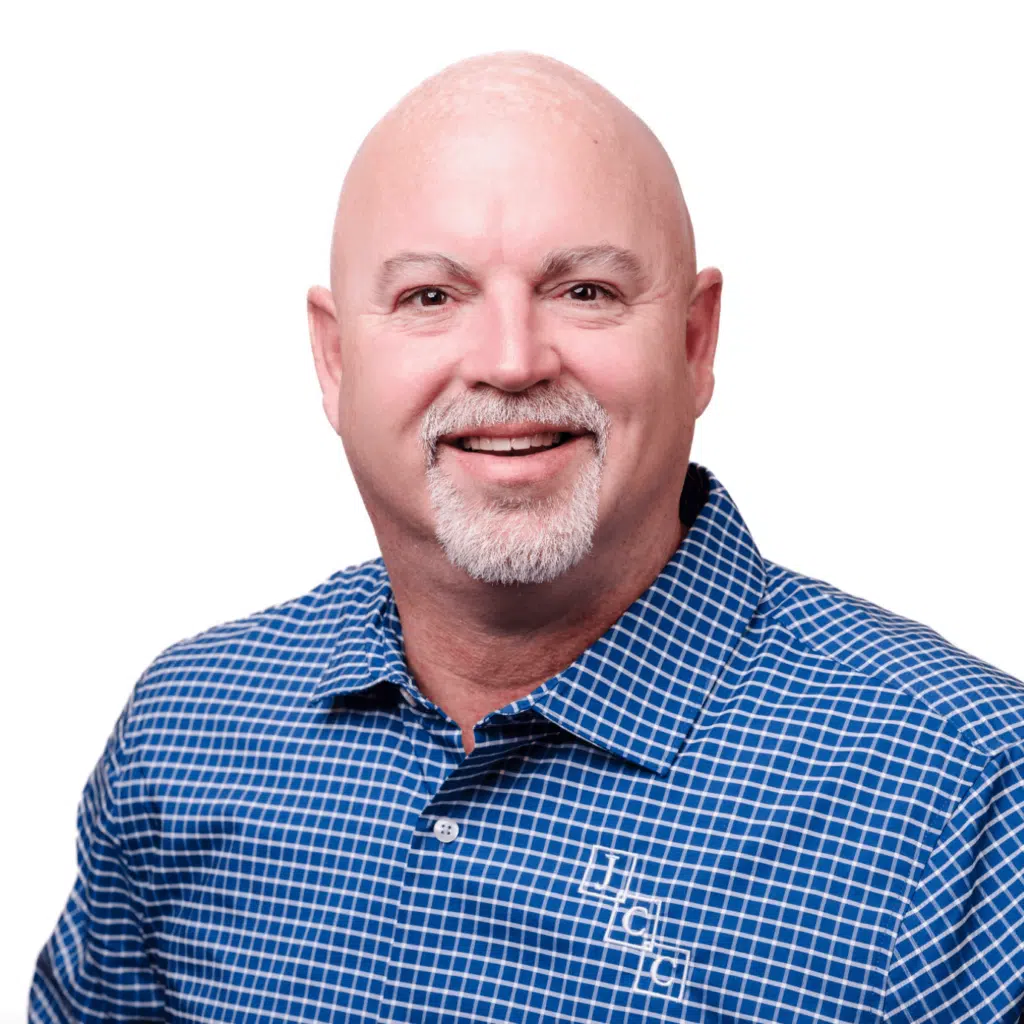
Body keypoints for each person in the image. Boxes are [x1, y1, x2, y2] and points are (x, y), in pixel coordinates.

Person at [30, 49, 1024, 1024]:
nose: (508, 361)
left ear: (692, 341)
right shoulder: (191, 730)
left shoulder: (967, 793)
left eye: (583, 290)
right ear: (335, 361)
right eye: (431, 296)